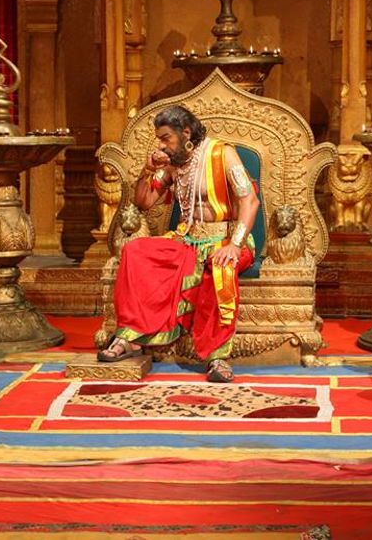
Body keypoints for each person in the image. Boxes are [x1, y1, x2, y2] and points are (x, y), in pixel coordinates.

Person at [97, 105, 261, 383]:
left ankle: (217, 357)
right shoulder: (174, 164)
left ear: (185, 133)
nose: (161, 145)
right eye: (159, 139)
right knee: (135, 251)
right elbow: (145, 201)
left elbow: (250, 201)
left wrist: (234, 245)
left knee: (219, 268)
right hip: (187, 239)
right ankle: (130, 338)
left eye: (166, 138)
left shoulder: (222, 153)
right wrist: (147, 170)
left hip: (228, 238)